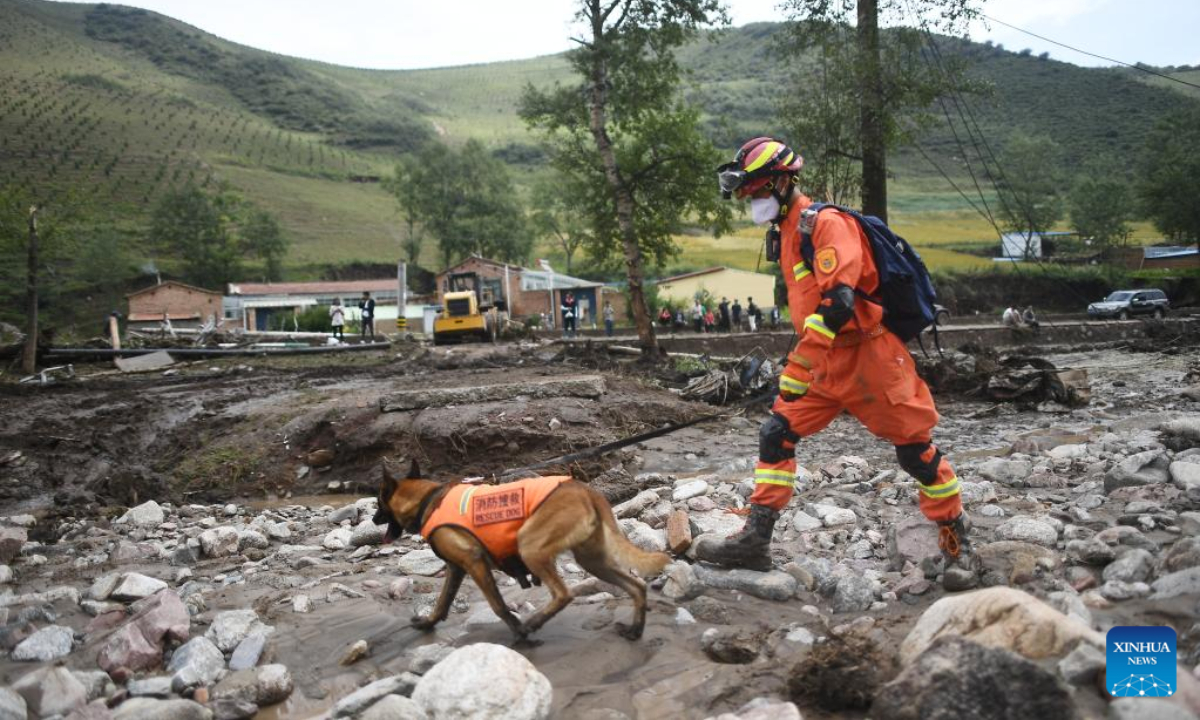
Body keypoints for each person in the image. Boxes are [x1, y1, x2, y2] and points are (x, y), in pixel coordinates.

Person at [700, 136, 977, 590]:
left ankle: (957, 542)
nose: (752, 199)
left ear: (785, 181)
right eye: (748, 194)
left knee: (916, 453)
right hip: (826, 365)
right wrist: (806, 364)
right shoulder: (786, 230)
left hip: (869, 358)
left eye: (758, 191)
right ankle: (755, 540)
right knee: (776, 434)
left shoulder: (824, 224)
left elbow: (840, 303)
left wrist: (799, 365)